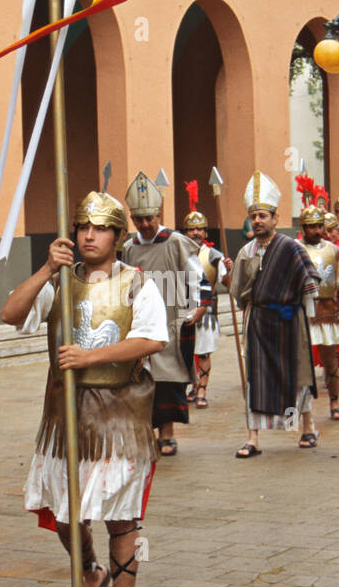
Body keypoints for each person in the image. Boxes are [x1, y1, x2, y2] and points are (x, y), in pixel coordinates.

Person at [0, 192, 166, 587]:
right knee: (65, 515)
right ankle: (91, 570)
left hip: (120, 416)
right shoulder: (60, 283)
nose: (89, 235)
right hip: (66, 417)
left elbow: (152, 340)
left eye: (100, 228)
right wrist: (46, 270)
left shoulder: (137, 284)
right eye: (82, 227)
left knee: (121, 520)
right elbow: (10, 314)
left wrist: (90, 357)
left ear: (117, 235)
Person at [230, 171, 320, 455]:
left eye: (263, 216)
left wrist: (306, 315)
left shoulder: (292, 248)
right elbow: (238, 290)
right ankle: (253, 438)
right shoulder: (246, 252)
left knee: (298, 375)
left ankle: (306, 427)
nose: (257, 220)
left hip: (289, 322)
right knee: (255, 379)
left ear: (275, 218)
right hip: (258, 323)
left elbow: (309, 283)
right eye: (253, 216)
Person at [122, 172, 203, 456]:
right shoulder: (128, 248)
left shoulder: (176, 242)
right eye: (138, 219)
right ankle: (146, 433)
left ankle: (167, 434)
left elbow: (198, 277)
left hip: (170, 320)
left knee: (167, 381)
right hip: (139, 322)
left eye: (149, 218)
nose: (144, 225)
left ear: (159, 214)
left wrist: (198, 306)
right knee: (141, 380)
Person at [182, 183, 232, 409]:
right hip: (184, 310)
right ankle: (193, 386)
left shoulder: (214, 256)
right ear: (185, 232)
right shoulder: (178, 253)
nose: (196, 233)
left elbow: (228, 284)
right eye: (192, 229)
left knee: (203, 352)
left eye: (200, 229)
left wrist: (228, 271)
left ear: (206, 232)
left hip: (207, 312)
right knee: (186, 352)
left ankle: (202, 388)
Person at [300, 203, 339, 422]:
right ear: (303, 227)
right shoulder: (294, 249)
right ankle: (300, 408)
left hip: (327, 311)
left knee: (331, 361)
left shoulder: (334, 251)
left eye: (319, 226)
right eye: (312, 226)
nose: (317, 230)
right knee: (300, 364)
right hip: (302, 313)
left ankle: (334, 402)